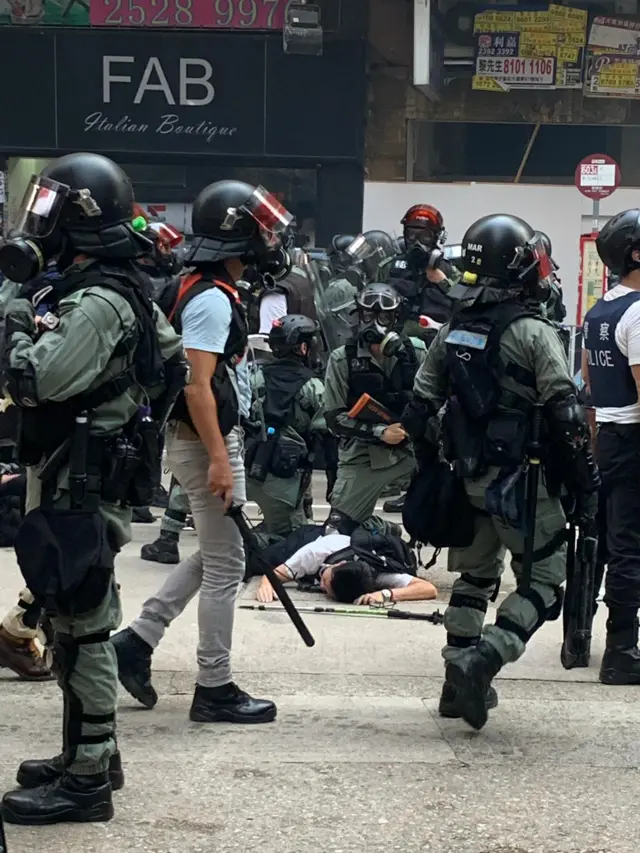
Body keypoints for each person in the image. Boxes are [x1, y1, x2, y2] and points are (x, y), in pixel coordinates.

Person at [0, 152, 186, 825]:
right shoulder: (110, 286)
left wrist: (17, 315)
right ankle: (90, 753)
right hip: (79, 473)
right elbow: (168, 363)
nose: (37, 224)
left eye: (48, 210)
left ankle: (86, 782)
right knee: (71, 617)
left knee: (82, 627)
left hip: (80, 482)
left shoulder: (100, 299)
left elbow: (36, 379)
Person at [403, 213, 599, 730]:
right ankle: (483, 661)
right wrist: (585, 483)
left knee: (475, 577)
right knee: (545, 581)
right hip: (525, 483)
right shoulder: (534, 332)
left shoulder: (453, 329)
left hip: (466, 475)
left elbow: (418, 408)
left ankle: (453, 686)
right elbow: (566, 414)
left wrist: (433, 472)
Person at [110, 180, 292, 721]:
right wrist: (219, 457)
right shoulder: (211, 298)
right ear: (240, 238)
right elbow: (197, 385)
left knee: (219, 551)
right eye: (261, 230)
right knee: (228, 564)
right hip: (201, 441)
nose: (270, 240)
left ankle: (138, 639)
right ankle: (214, 686)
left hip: (194, 440)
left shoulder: (196, 285)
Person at [582, 208, 640, 685]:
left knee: (610, 542)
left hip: (610, 437)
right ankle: (622, 651)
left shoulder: (599, 311)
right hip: (634, 438)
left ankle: (581, 636)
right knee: (630, 548)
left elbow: (591, 391)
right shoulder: (639, 312)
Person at [323, 282, 425, 530]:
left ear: (395, 318)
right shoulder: (342, 359)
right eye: (368, 313)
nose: (375, 321)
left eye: (384, 315)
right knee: (337, 530)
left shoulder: (416, 352)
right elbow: (334, 418)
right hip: (364, 454)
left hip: (414, 450)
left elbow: (437, 401)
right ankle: (382, 530)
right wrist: (380, 433)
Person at [245, 314, 325, 535]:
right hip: (283, 480)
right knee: (295, 541)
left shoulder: (255, 378)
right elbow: (328, 428)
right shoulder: (313, 387)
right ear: (302, 347)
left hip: (248, 469)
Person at [255, 528, 437, 604]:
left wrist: (385, 594)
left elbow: (429, 589)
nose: (321, 586)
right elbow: (275, 573)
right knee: (257, 560)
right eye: (326, 581)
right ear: (338, 564)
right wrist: (266, 584)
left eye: (326, 590)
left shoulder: (378, 574)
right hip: (308, 538)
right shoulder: (317, 552)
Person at [388, 203, 457, 347]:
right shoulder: (390, 267)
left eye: (425, 237)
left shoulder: (449, 271)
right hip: (395, 345)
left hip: (435, 347)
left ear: (438, 238)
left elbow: (467, 306)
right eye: (411, 235)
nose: (417, 243)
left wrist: (443, 282)